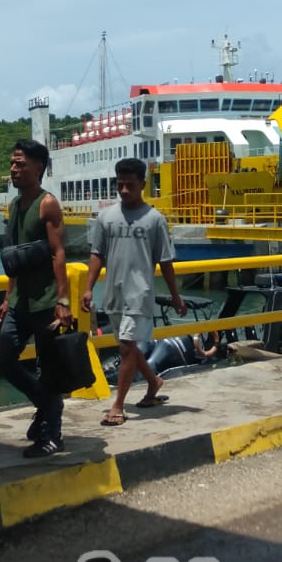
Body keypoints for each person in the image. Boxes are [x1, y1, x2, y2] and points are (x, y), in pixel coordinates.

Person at [82, 157, 186, 426]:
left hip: (140, 294)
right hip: (113, 293)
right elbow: (97, 255)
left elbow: (166, 262)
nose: (124, 190)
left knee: (127, 348)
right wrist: (88, 289)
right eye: (120, 185)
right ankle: (154, 382)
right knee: (126, 346)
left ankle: (117, 406)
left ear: (142, 184)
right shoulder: (106, 217)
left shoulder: (155, 220)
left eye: (130, 185)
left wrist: (175, 297)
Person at [0, 139, 72, 458]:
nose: (14, 169)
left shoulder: (46, 203)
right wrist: (6, 296)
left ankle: (52, 434)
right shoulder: (14, 206)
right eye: (12, 163)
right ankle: (46, 406)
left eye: (20, 164)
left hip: (45, 302)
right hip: (19, 303)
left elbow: (58, 253)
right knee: (4, 361)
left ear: (39, 168)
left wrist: (63, 300)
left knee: (49, 368)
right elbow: (14, 257)